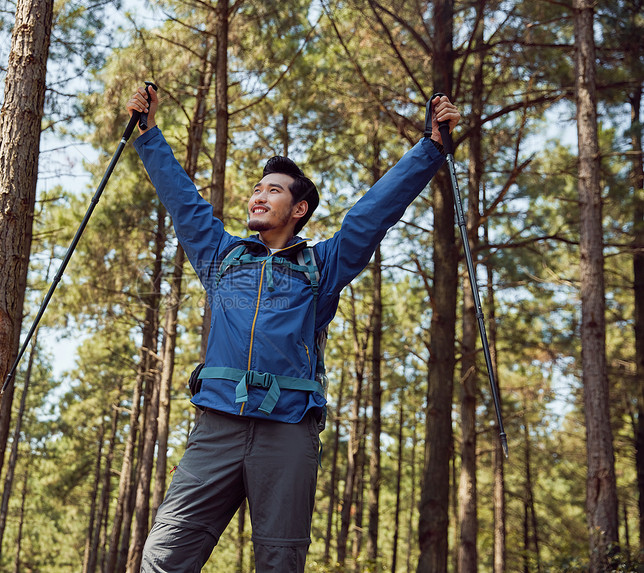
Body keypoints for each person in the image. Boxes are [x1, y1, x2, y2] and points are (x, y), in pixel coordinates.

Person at [126, 85, 460, 573]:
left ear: (299, 209)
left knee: (281, 562)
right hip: (216, 423)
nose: (259, 195)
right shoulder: (222, 256)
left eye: (274, 190)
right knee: (162, 557)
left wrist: (431, 147)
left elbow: (373, 213)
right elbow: (182, 199)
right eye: (258, 189)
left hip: (288, 429)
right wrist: (148, 132)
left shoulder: (322, 265)